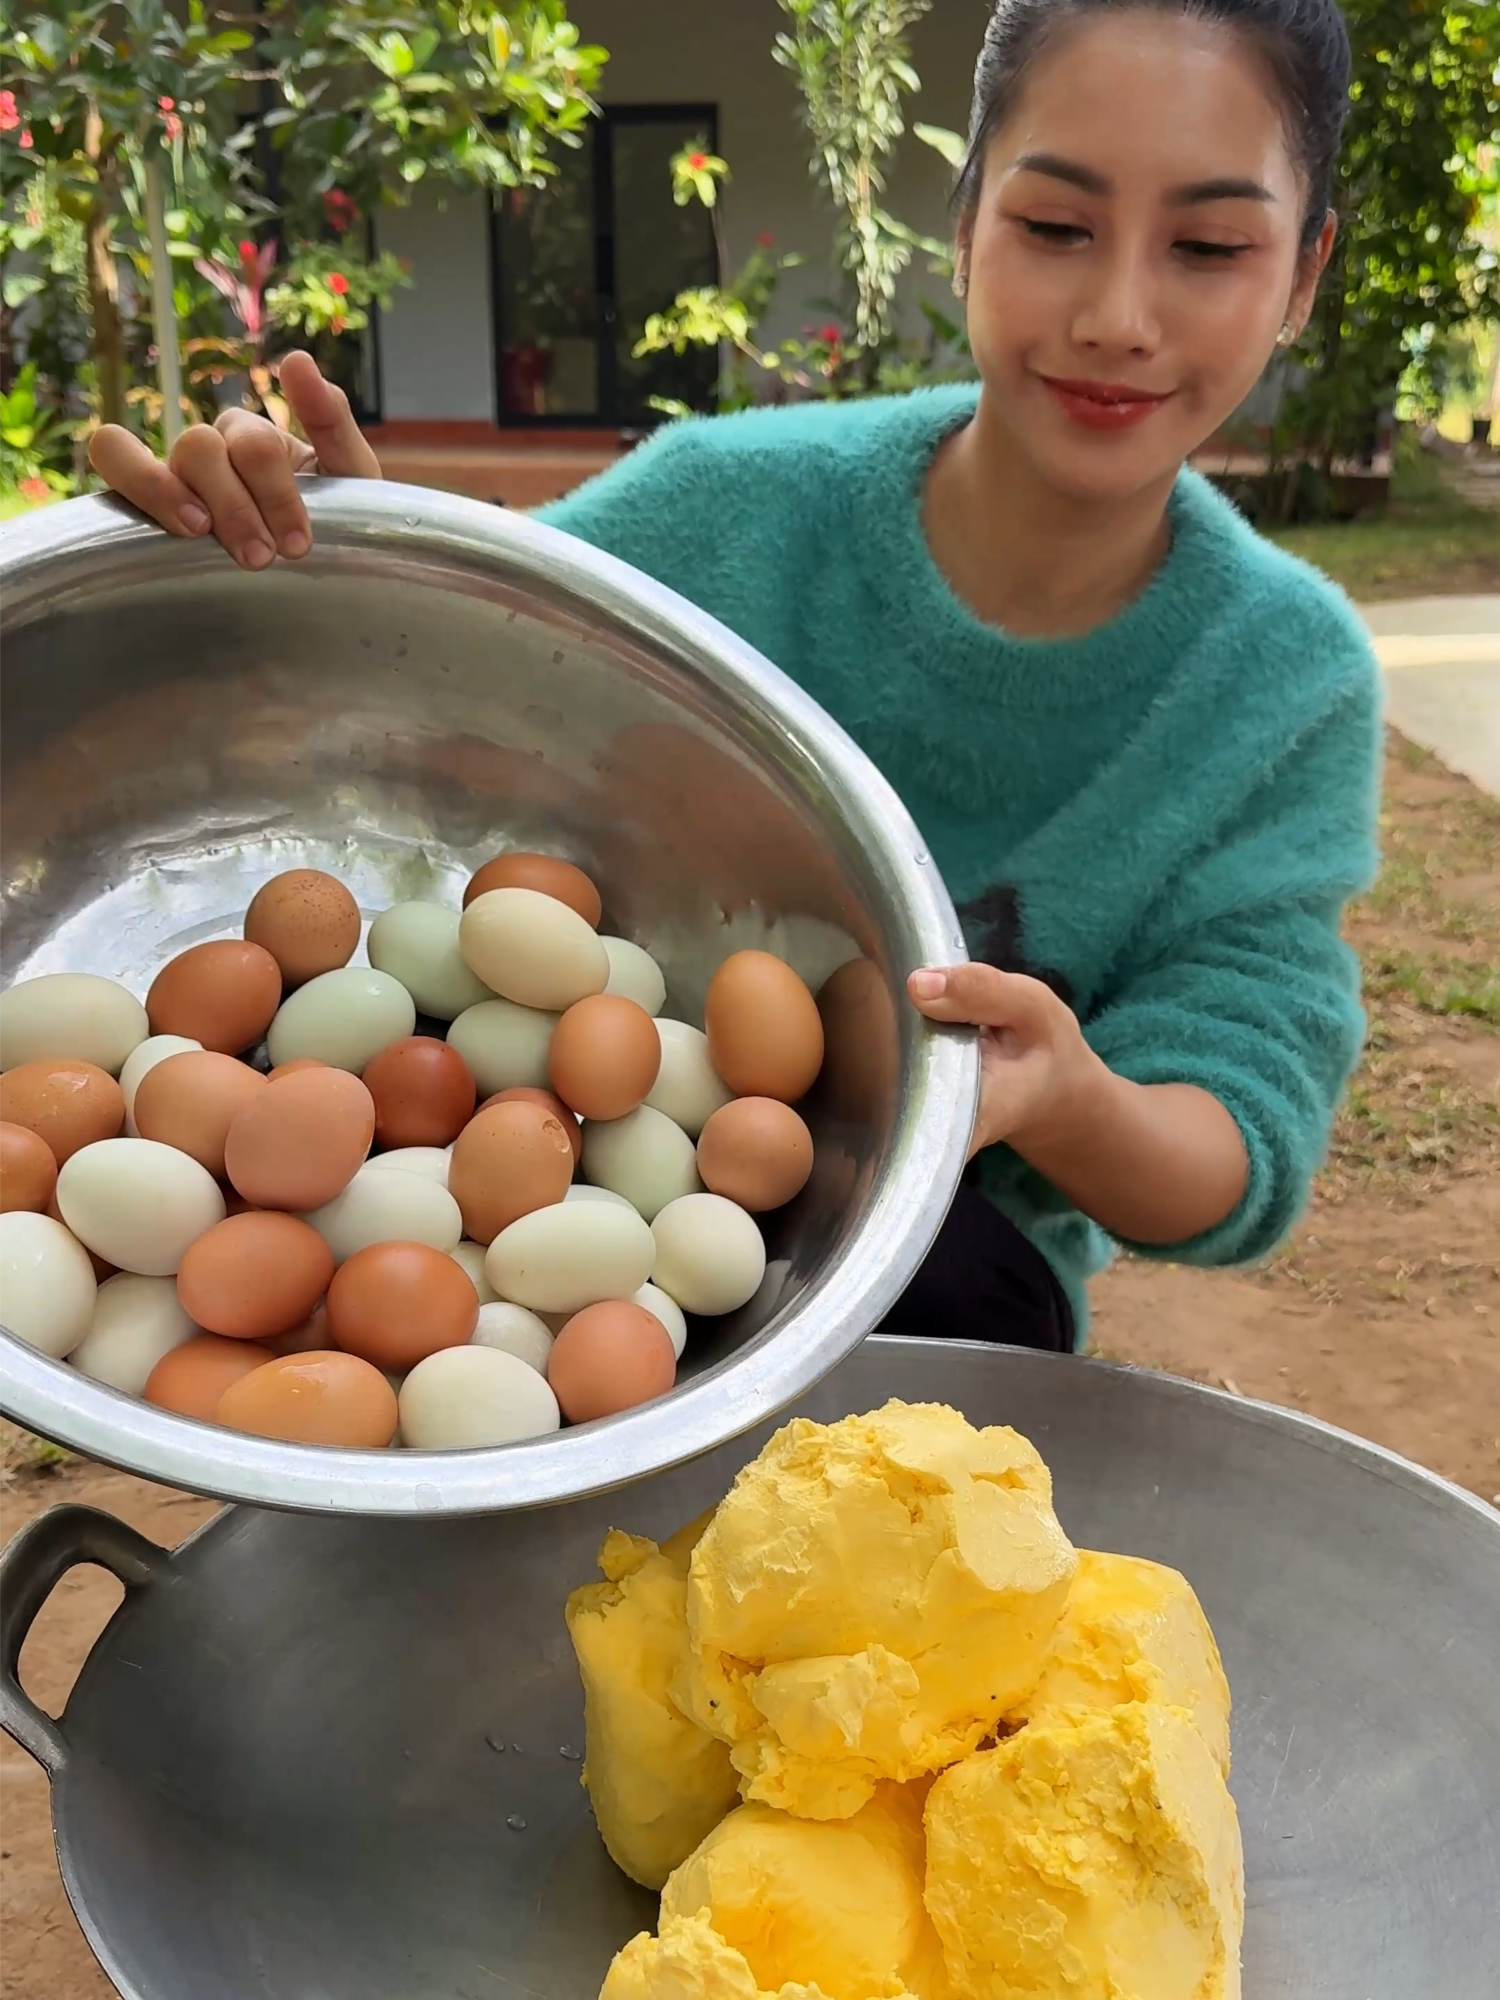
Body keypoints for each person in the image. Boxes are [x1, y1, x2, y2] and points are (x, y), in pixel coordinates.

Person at [92, 0, 1380, 1356]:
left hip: (927, 1279)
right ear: (964, 221)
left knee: (945, 1285)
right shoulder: (713, 516)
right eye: (1055, 227)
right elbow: (452, 714)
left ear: (1302, 275)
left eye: (1212, 246)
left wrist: (1063, 1100)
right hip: (527, 1198)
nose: (1120, 317)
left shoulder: (1281, 682)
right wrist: (347, 571)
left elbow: (1232, 1141)